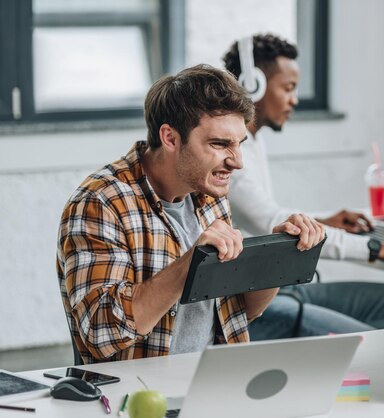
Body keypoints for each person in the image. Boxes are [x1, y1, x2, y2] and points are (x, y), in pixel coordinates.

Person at [56, 65, 325, 364]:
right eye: (219, 144)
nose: (237, 162)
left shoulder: (209, 195)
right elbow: (99, 333)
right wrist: (189, 263)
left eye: (239, 145)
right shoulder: (101, 203)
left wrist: (279, 256)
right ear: (170, 138)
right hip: (136, 401)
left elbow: (232, 313)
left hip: (213, 385)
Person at [223, 34, 384, 340]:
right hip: (256, 306)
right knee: (380, 341)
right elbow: (273, 226)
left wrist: (323, 220)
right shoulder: (231, 160)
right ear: (253, 85)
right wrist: (379, 248)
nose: (294, 99)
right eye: (288, 88)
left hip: (282, 291)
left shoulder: (254, 140)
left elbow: (273, 219)